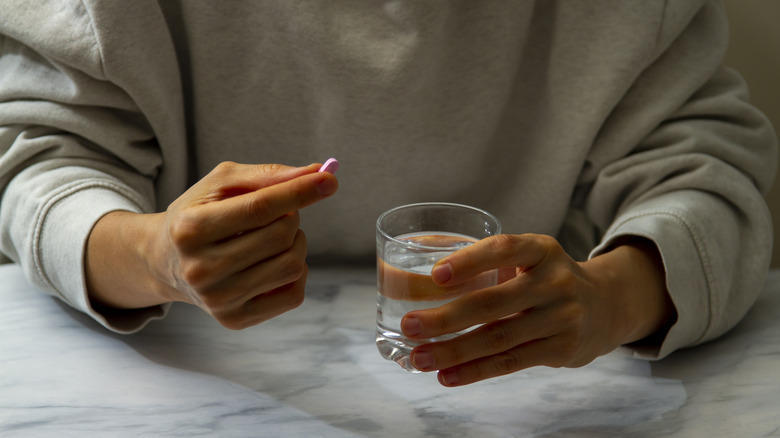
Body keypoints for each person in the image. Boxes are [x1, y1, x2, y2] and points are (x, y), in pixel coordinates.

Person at [0, 1, 776, 387]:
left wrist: (612, 297)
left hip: (539, 392)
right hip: (178, 380)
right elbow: (42, 158)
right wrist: (149, 255)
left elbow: (707, 171)